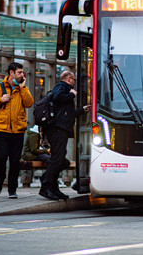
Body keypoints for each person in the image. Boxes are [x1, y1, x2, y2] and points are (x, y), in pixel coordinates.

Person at [0, 62, 34, 199]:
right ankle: (0, 179)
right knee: (0, 158)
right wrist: (0, 99)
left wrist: (23, 88)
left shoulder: (23, 89)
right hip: (1, 129)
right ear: (11, 73)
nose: (22, 75)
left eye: (22, 72)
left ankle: (12, 189)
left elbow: (29, 103)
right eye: (19, 72)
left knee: (14, 161)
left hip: (18, 131)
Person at [40, 71, 90, 200]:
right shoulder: (62, 87)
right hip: (57, 130)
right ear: (69, 79)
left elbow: (67, 113)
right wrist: (71, 94)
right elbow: (57, 96)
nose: (74, 83)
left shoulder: (64, 89)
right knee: (57, 159)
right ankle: (46, 186)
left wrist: (81, 110)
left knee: (61, 160)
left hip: (60, 129)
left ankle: (52, 186)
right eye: (73, 79)